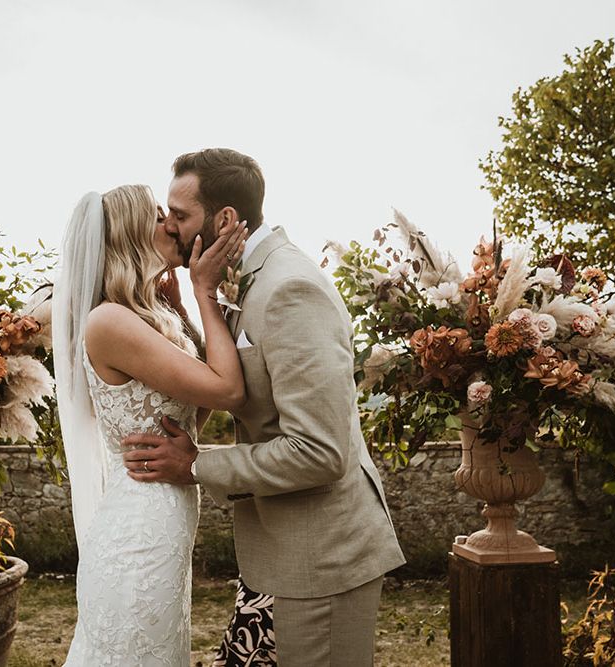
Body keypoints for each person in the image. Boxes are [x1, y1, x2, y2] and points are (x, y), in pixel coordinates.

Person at [122, 148, 406, 666]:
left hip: (322, 557)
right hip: (278, 552)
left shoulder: (290, 288)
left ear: (226, 219)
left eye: (181, 215)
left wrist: (196, 464)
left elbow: (319, 451)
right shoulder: (243, 279)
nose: (170, 227)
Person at [52, 184, 248, 666]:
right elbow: (229, 390)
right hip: (137, 533)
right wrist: (205, 292)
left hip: (164, 525)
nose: (170, 225)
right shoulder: (108, 322)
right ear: (131, 234)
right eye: (158, 216)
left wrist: (184, 308)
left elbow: (199, 407)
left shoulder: (150, 315)